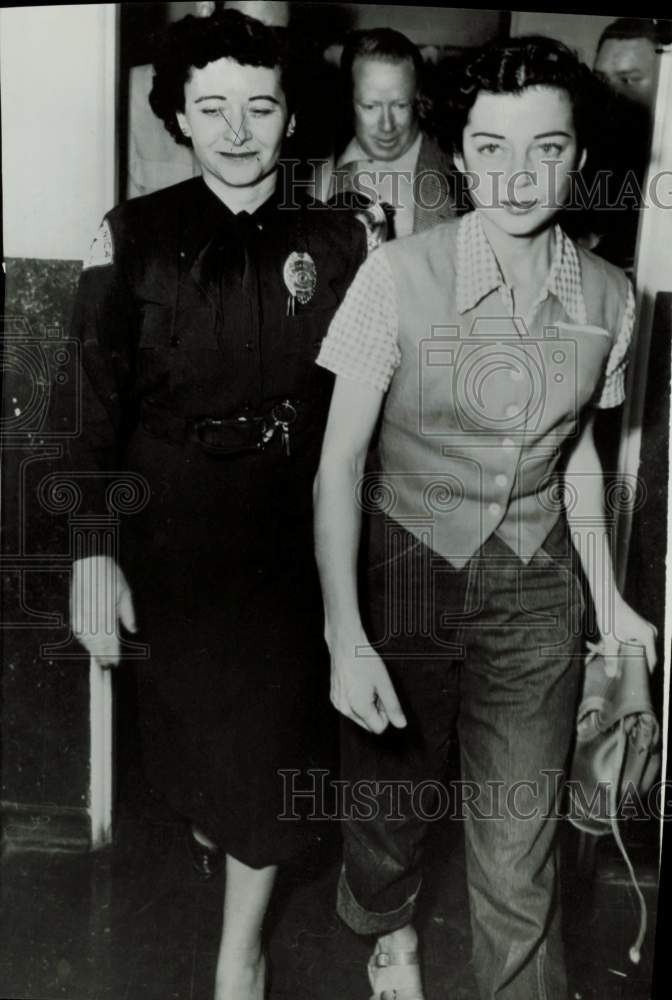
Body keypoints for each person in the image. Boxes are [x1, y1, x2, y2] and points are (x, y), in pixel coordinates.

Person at [313, 36, 657, 1000]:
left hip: (535, 584)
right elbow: (339, 462)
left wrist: (612, 599)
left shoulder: (612, 299)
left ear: (579, 158)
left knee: (517, 852)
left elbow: (576, 455)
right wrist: (345, 633)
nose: (518, 174)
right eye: (492, 147)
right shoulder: (394, 275)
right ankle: (390, 933)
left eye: (546, 147)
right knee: (390, 814)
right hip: (404, 569)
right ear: (459, 154)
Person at [67, 10, 366, 1000]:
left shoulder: (343, 238)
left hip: (292, 528)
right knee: (197, 755)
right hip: (173, 531)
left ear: (291, 120)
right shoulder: (132, 237)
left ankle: (240, 957)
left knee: (268, 746)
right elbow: (88, 410)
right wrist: (92, 549)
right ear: (182, 121)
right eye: (211, 108)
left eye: (259, 106)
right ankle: (219, 836)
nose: (236, 130)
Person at [127, 1, 291, 198]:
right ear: (206, 12)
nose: (255, 47)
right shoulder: (128, 93)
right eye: (238, 28)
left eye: (276, 35)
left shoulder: (288, 100)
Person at [323, 28, 454, 238]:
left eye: (400, 105)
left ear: (418, 98)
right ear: (349, 100)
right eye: (370, 106)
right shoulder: (317, 176)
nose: (386, 126)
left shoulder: (460, 167)